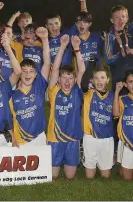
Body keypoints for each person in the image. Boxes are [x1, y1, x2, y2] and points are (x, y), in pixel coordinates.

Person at [47, 34, 85, 179]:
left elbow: (82, 71)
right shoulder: (54, 90)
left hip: (72, 138)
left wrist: (76, 49)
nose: (67, 81)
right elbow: (55, 68)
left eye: (70, 78)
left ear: (75, 80)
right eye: (64, 78)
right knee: (53, 176)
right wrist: (63, 46)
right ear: (59, 80)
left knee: (70, 176)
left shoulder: (77, 91)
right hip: (55, 138)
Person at [11, 27, 51, 147]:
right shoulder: (12, 93)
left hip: (39, 137)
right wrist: (13, 139)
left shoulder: (39, 86)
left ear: (35, 74)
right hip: (20, 141)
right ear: (19, 73)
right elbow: (9, 118)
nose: (28, 74)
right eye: (24, 71)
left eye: (31, 71)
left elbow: (47, 62)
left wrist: (44, 39)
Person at [82, 66, 115, 179]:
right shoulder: (87, 94)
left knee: (105, 176)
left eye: (102, 77)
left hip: (107, 139)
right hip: (90, 138)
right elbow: (82, 79)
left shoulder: (113, 96)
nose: (99, 80)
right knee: (89, 177)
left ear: (108, 80)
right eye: (96, 78)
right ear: (92, 80)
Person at [68, 11, 103, 92]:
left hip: (97, 78)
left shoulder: (97, 37)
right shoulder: (73, 40)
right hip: (81, 78)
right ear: (76, 24)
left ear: (90, 24)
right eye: (79, 22)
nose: (82, 24)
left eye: (85, 22)